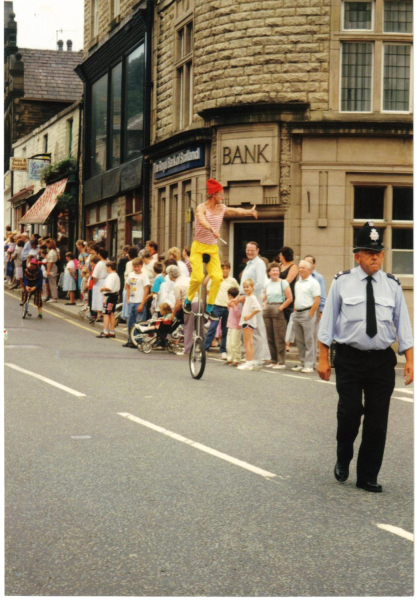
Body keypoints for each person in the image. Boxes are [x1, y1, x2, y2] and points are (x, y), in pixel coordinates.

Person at [318, 221, 413, 493]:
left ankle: (367, 475)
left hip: (381, 361)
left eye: (378, 252)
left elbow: (403, 325)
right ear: (357, 255)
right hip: (349, 358)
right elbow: (328, 322)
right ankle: (343, 455)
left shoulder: (392, 286)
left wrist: (410, 360)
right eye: (369, 252)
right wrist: (324, 358)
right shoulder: (341, 282)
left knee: (377, 419)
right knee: (349, 414)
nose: (375, 257)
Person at [183, 178, 258, 320]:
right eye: (220, 195)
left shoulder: (221, 208)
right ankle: (187, 300)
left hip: (212, 248)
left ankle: (209, 308)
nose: (222, 198)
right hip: (198, 247)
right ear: (213, 195)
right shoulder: (202, 207)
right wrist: (211, 229)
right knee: (198, 277)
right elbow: (201, 219)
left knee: (217, 278)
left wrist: (249, 212)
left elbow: (236, 210)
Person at [231, 241, 269, 369]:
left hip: (253, 299)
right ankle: (250, 358)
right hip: (246, 298)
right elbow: (244, 286)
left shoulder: (259, 263)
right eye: (248, 250)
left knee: (255, 328)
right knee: (248, 329)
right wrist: (237, 298)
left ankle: (257, 360)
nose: (250, 252)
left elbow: (259, 284)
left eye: (252, 250)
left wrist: (246, 297)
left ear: (258, 250)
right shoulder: (249, 264)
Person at [204, 261, 239, 359]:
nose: (224, 270)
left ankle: (222, 350)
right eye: (222, 268)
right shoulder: (215, 278)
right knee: (212, 327)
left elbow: (238, 292)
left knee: (225, 329)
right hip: (216, 306)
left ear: (229, 269)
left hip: (228, 307)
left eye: (226, 268)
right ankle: (205, 348)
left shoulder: (232, 281)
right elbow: (208, 290)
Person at [291, 259, 321, 373]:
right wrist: (294, 312)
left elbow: (317, 299)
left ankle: (309, 364)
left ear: (309, 270)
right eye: (299, 267)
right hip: (297, 313)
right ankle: (303, 362)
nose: (300, 269)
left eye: (303, 268)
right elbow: (296, 299)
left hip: (307, 313)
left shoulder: (314, 283)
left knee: (309, 340)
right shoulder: (297, 283)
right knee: (300, 340)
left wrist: (310, 313)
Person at [263, 261, 293, 369]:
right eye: (273, 271)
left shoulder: (283, 283)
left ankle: (281, 362)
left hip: (278, 308)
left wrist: (281, 307)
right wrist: (265, 306)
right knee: (270, 337)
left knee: (279, 337)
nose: (275, 272)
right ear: (269, 272)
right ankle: (273, 360)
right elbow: (265, 297)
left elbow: (290, 298)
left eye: (277, 270)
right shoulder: (267, 284)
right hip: (268, 310)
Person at [124, 257, 150, 348]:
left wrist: (142, 303)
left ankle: (138, 341)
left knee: (139, 322)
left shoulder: (144, 276)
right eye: (134, 267)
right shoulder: (130, 275)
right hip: (132, 301)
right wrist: (127, 298)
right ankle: (130, 340)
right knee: (130, 322)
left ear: (141, 266)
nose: (136, 268)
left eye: (138, 266)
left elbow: (146, 290)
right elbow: (127, 286)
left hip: (139, 301)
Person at [237, 279, 262, 371]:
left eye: (247, 287)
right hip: (246, 321)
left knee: (248, 343)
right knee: (249, 343)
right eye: (244, 287)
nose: (245, 289)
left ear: (252, 287)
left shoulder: (252, 297)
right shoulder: (248, 297)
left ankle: (248, 362)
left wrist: (249, 316)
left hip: (248, 322)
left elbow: (258, 308)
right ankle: (249, 362)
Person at [97, 261, 121, 339]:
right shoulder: (116, 275)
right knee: (111, 313)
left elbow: (109, 288)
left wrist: (102, 288)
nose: (106, 269)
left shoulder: (111, 276)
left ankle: (105, 331)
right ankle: (112, 331)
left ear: (109, 267)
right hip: (114, 296)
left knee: (106, 313)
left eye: (107, 267)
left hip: (109, 296)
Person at [226, 286, 242, 366]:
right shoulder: (231, 304)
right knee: (229, 343)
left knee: (235, 343)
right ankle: (230, 358)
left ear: (230, 295)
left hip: (236, 326)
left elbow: (239, 315)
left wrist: (234, 306)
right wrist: (229, 305)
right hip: (230, 325)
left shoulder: (238, 304)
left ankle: (237, 359)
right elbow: (229, 310)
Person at [91, 249, 109, 321]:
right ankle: (105, 314)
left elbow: (95, 276)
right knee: (105, 298)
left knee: (99, 298)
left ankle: (99, 314)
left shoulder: (99, 264)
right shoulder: (109, 262)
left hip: (100, 282)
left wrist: (94, 283)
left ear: (100, 255)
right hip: (108, 281)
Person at [45, 239, 59, 303]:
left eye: (47, 244)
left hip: (52, 268)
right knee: (52, 283)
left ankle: (54, 297)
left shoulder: (52, 252)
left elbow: (50, 262)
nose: (46, 246)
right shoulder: (53, 251)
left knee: (52, 283)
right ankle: (53, 296)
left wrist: (48, 270)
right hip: (53, 267)